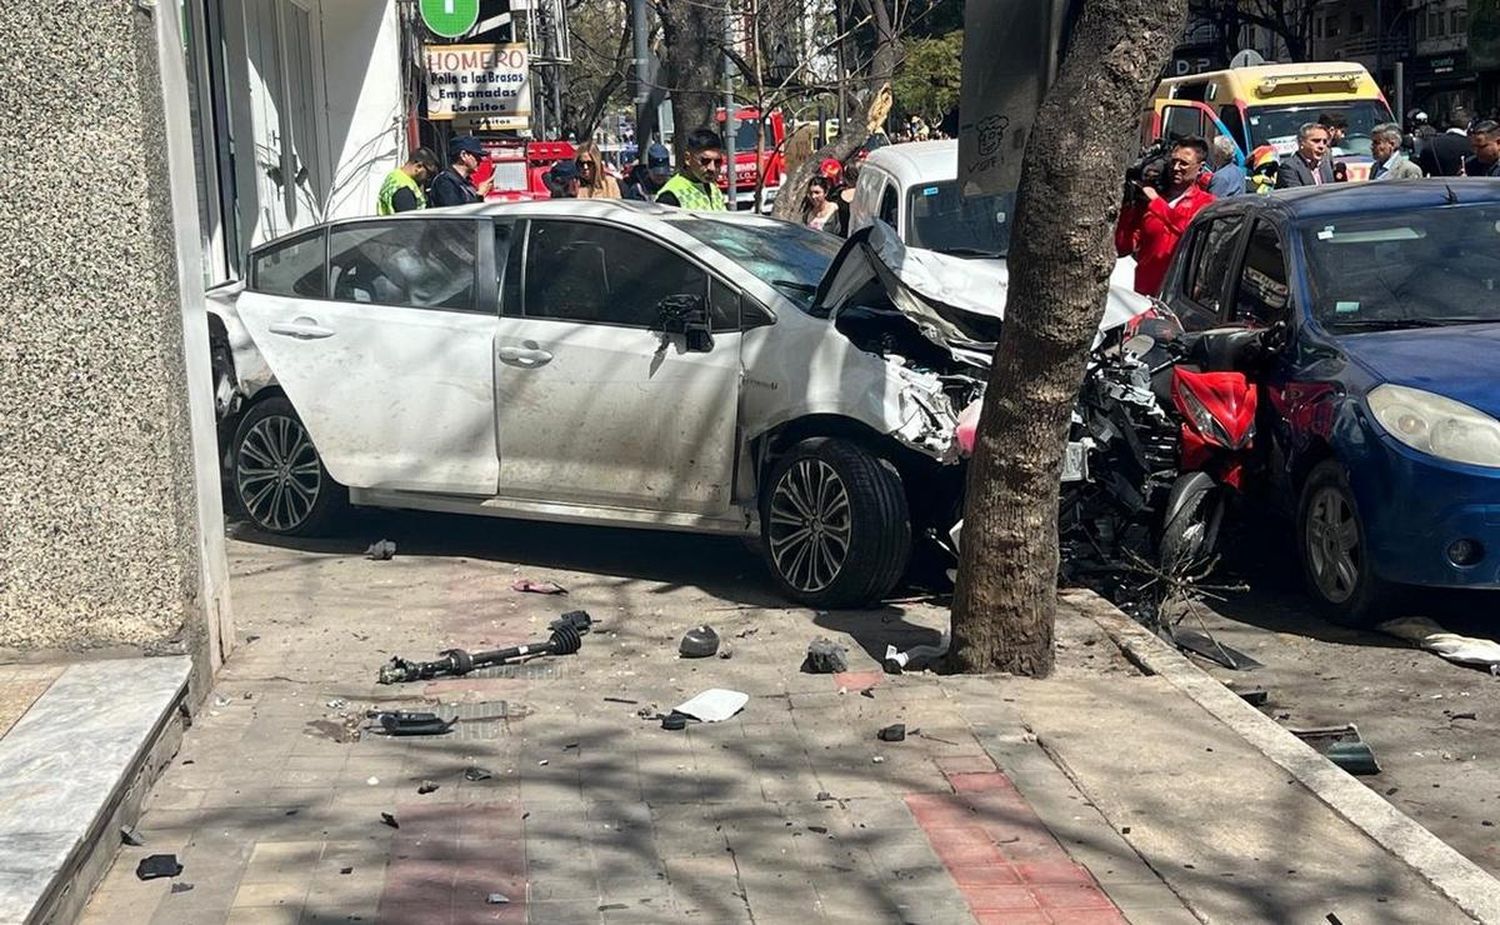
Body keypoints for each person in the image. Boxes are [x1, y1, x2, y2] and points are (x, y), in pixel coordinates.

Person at [1114, 136, 1215, 297]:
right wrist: (1129, 207)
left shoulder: (1206, 203)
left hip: (1178, 297)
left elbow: (1186, 228)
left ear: (1200, 168)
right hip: (1144, 294)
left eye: (1184, 163)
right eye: (1173, 162)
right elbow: (1123, 248)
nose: (1176, 167)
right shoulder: (1152, 199)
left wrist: (1155, 201)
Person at [655, 128, 727, 210]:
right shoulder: (671, 195)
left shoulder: (714, 188)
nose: (712, 168)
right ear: (688, 158)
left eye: (717, 162)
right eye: (705, 161)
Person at [428, 136, 493, 207]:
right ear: (463, 155)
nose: (480, 160)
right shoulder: (445, 182)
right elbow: (456, 213)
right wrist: (479, 195)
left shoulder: (465, 182)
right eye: (476, 156)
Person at [376, 148, 440, 215]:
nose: (428, 179)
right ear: (418, 166)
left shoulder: (394, 177)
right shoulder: (403, 188)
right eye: (429, 174)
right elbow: (411, 222)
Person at [1276, 122, 1337, 188]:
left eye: (1324, 142)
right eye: (1316, 141)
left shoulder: (1326, 163)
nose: (1321, 146)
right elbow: (1298, 195)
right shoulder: (1289, 167)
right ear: (1301, 142)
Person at [1419, 109, 1471, 177]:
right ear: (1469, 125)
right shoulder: (1474, 145)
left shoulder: (1431, 144)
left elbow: (1423, 171)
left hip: (1437, 185)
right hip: (1468, 186)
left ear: (1446, 123)